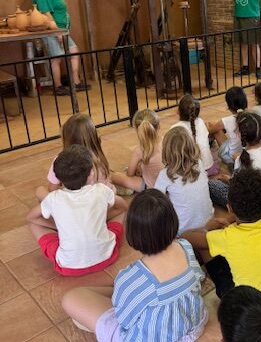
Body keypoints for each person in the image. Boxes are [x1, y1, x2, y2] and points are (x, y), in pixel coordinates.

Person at [61, 189, 208, 342]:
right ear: (173, 221)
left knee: (71, 297)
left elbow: (123, 319)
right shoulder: (185, 246)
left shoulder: (134, 276)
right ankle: (111, 294)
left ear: (133, 233)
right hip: (193, 328)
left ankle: (105, 298)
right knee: (124, 288)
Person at [183, 168, 261, 309]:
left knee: (205, 248)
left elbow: (186, 237)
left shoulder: (227, 237)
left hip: (247, 308)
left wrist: (206, 227)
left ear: (229, 207)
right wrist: (229, 219)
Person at [26, 145, 126, 275]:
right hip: (108, 257)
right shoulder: (101, 190)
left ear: (60, 178)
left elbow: (31, 217)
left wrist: (57, 225)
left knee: (33, 224)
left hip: (69, 267)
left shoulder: (54, 198)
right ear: (91, 173)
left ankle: (62, 229)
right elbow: (123, 206)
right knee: (122, 213)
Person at [31, 0, 90, 96]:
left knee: (74, 52)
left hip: (62, 30)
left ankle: (75, 81)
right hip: (53, 31)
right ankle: (58, 86)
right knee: (56, 59)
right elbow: (46, 13)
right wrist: (57, 32)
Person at [208, 111, 261, 208]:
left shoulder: (242, 160)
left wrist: (227, 179)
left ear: (240, 134)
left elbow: (238, 188)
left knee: (212, 185)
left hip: (257, 208)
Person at [37, 112, 114, 198]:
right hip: (103, 197)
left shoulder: (61, 160)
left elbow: (52, 189)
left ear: (66, 138)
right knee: (114, 177)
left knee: (40, 190)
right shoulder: (97, 154)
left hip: (78, 201)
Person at [155, 127, 213, 235]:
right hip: (208, 222)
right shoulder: (199, 163)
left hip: (182, 230)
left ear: (166, 151)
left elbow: (155, 201)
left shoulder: (165, 174)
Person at [111, 109, 163, 193]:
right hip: (167, 184)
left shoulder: (139, 150)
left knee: (114, 176)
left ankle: (129, 188)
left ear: (137, 130)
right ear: (159, 126)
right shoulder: (166, 141)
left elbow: (130, 173)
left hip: (151, 187)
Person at [172, 94, 214, 173]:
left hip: (191, 172)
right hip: (209, 167)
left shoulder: (175, 129)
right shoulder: (201, 121)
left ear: (178, 111)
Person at [208, 86, 247, 166]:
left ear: (229, 105)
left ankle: (207, 146)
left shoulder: (226, 120)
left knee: (211, 125)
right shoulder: (252, 117)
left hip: (230, 157)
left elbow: (209, 131)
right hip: (245, 156)